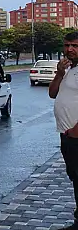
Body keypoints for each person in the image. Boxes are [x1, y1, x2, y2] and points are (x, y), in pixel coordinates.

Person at [50, 31, 78, 228]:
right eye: (67, 45)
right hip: (67, 135)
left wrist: (76, 130)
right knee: (75, 178)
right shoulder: (70, 69)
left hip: (75, 135)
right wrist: (59, 73)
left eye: (75, 46)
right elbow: (53, 93)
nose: (70, 49)